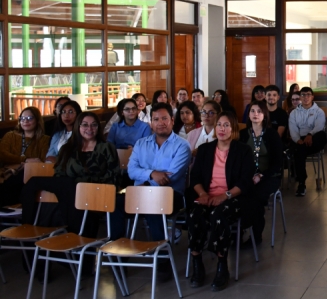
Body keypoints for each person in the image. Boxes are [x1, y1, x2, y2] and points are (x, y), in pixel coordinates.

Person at [21, 112, 120, 236]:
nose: (89, 129)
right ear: (78, 127)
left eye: (94, 125)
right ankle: (27, 225)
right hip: (68, 193)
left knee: (71, 184)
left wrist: (81, 185)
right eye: (85, 125)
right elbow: (59, 174)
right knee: (34, 182)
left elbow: (112, 176)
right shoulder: (67, 148)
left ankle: (74, 233)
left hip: (95, 192)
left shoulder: (107, 147)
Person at [187, 111, 254, 292]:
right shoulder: (205, 150)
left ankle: (222, 264)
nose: (222, 129)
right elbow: (195, 177)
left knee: (219, 215)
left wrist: (224, 196)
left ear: (233, 128)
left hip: (233, 197)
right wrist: (202, 194)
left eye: (226, 125)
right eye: (219, 125)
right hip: (206, 196)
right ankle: (197, 261)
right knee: (194, 214)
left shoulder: (243, 150)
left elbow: (245, 181)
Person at [112, 103, 191, 251]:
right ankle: (117, 251)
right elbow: (132, 171)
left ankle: (161, 259)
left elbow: (170, 177)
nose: (160, 123)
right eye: (156, 119)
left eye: (164, 118)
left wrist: (147, 185)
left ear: (172, 120)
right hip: (139, 193)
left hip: (170, 195)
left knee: (153, 202)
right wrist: (152, 173)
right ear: (151, 123)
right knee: (115, 204)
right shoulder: (141, 144)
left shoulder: (182, 145)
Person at [239, 99, 282, 245]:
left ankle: (256, 235)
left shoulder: (271, 135)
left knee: (255, 197)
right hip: (247, 176)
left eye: (259, 111)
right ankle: (236, 232)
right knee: (237, 193)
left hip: (269, 176)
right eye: (252, 111)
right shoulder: (243, 134)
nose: (255, 114)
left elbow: (278, 163)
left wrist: (261, 175)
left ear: (265, 115)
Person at [0, 107, 51, 206]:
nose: (25, 121)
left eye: (29, 118)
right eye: (22, 118)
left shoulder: (45, 140)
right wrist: (25, 160)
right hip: (7, 174)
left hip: (30, 176)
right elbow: (2, 155)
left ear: (37, 120)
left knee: (24, 176)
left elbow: (41, 161)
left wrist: (27, 165)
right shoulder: (10, 136)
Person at [288, 87, 327, 196]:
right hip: (300, 140)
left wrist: (310, 135)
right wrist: (298, 140)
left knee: (322, 135)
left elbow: (319, 126)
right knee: (299, 150)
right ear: (300, 97)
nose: (306, 97)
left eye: (308, 95)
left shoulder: (319, 111)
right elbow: (293, 129)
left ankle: (300, 148)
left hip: (314, 139)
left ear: (312, 97)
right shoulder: (294, 113)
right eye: (303, 95)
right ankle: (301, 183)